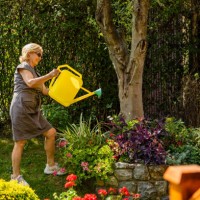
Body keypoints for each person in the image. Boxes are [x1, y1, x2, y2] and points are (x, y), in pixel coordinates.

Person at [10, 43, 65, 186]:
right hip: (21, 107)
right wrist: (49, 75)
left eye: (41, 55)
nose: (40, 57)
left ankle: (50, 165)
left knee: (51, 133)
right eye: (38, 54)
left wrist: (65, 93)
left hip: (33, 109)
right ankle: (15, 177)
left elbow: (46, 91)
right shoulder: (23, 66)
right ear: (29, 54)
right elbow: (30, 83)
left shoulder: (35, 72)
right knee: (20, 142)